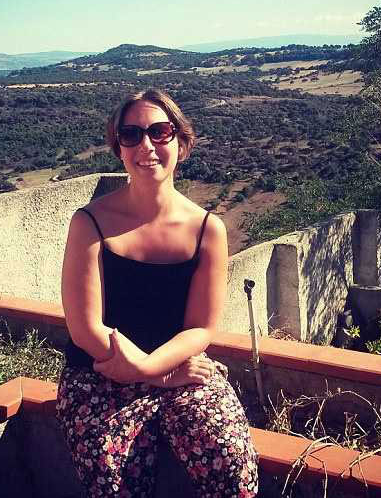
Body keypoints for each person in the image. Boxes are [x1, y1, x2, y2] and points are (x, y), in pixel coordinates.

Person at [56, 89, 258, 497]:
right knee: (112, 478)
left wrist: (153, 370)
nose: (146, 146)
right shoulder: (89, 223)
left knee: (231, 463)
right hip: (101, 373)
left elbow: (200, 328)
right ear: (119, 148)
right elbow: (85, 328)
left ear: (181, 143)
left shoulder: (207, 230)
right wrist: (155, 375)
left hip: (181, 368)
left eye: (159, 132)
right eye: (131, 135)